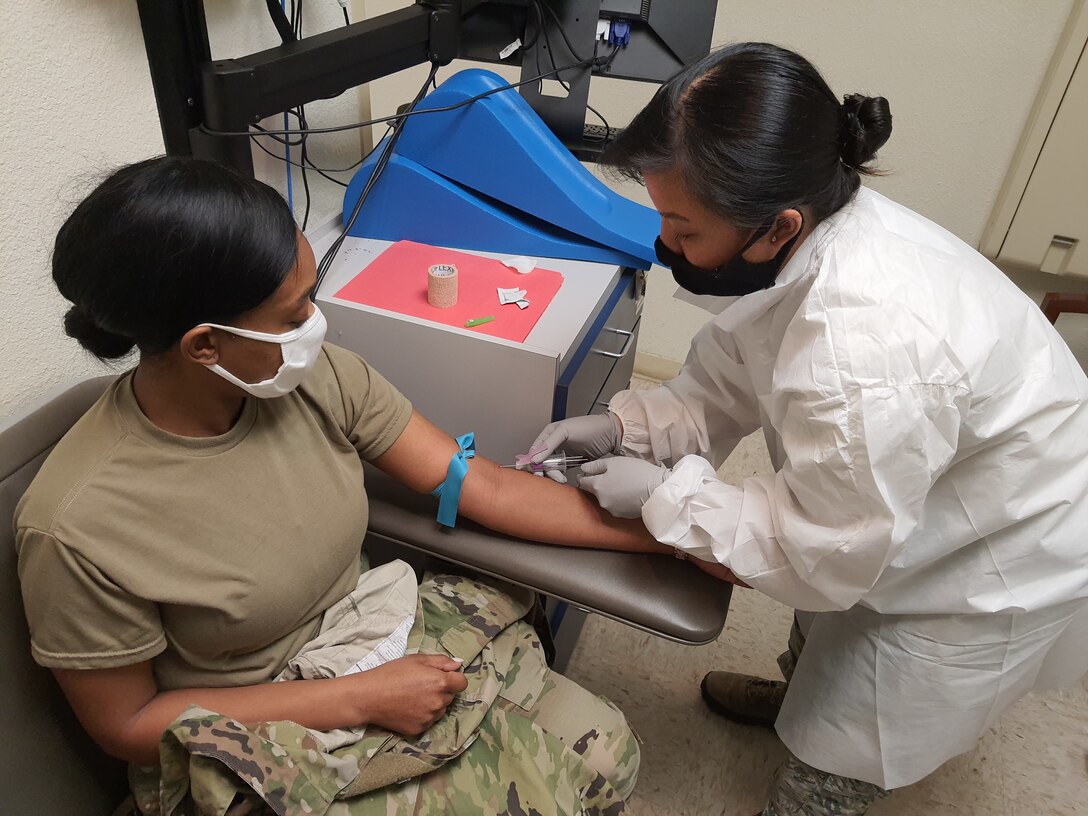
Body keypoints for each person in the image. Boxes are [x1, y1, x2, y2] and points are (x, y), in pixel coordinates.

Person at [527, 42, 1088, 815]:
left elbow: (822, 547)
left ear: (775, 227)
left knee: (853, 732)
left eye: (684, 231)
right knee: (823, 632)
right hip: (926, 477)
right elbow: (730, 373)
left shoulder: (864, 347)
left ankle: (816, 777)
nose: (668, 249)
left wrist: (669, 496)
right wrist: (627, 426)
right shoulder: (813, 233)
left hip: (997, 548)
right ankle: (796, 696)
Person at [14, 156, 667, 815]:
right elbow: (127, 726)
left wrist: (670, 533)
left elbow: (483, 487)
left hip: (370, 631)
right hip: (253, 730)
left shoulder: (313, 377)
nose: (314, 325)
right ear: (205, 346)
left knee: (607, 754)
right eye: (293, 313)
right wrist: (359, 698)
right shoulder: (77, 524)